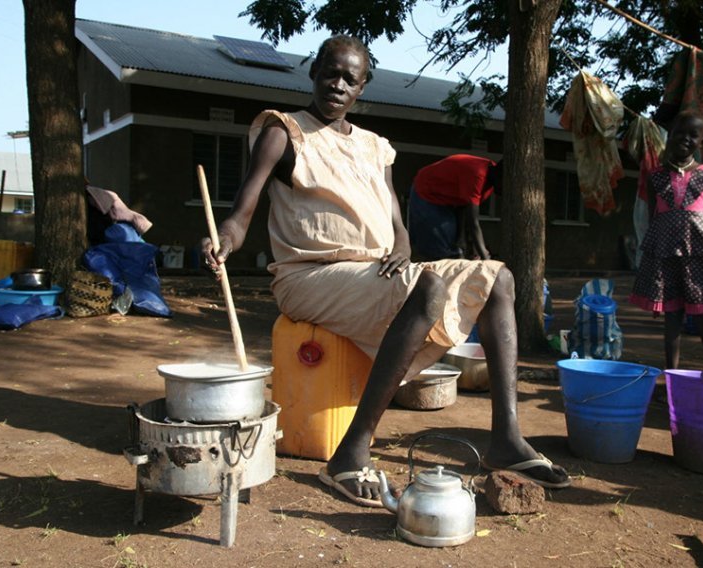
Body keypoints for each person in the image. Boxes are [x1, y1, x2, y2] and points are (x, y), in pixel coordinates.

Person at [201, 35, 571, 507]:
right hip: (310, 276)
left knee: (498, 278)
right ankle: (350, 456)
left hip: (376, 273)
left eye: (349, 79)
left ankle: (506, 439)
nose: (337, 84)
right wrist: (225, 239)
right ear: (314, 71)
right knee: (430, 285)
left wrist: (401, 247)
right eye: (330, 73)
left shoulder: (376, 147)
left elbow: (397, 221)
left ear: (362, 88)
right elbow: (243, 209)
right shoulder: (284, 130)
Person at [629, 111, 703, 373]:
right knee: (672, 319)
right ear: (670, 136)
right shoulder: (656, 176)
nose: (685, 139)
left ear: (701, 143)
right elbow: (656, 214)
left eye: (693, 135)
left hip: (699, 254)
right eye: (680, 133)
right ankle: (672, 376)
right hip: (666, 254)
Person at [408, 154, 502, 261]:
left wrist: (461, 240)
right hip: (427, 191)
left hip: (447, 200)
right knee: (441, 250)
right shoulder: (478, 176)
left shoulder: (490, 181)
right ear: (500, 177)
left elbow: (462, 206)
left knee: (455, 250)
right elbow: (473, 224)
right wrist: (485, 258)